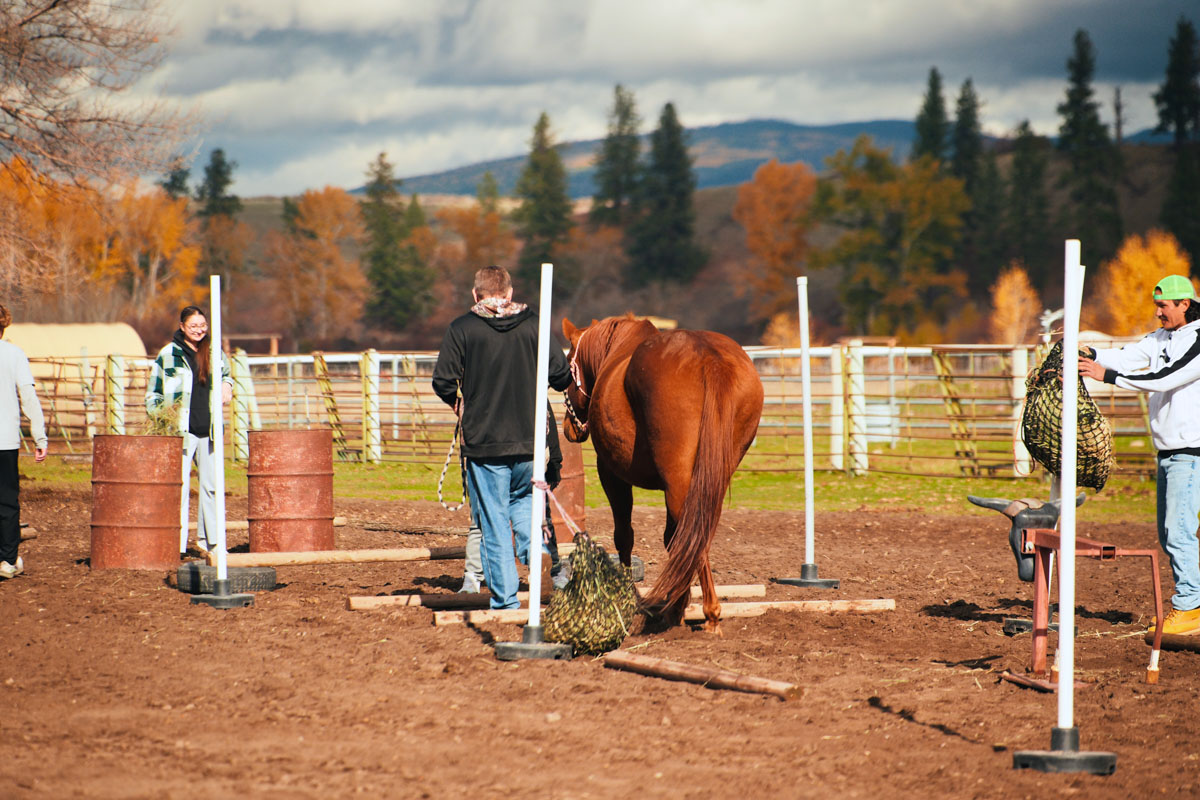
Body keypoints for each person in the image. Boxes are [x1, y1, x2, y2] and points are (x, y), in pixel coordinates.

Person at [433, 265, 571, 609]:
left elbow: (442, 381)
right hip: (529, 442)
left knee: (493, 522)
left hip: (485, 444)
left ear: (475, 294)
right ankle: (537, 553)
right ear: (509, 293)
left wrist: (459, 405)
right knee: (525, 506)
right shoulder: (535, 324)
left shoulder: (462, 328)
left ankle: (506, 602)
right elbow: (561, 376)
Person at [1079, 273, 1200, 635]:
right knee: (1169, 534)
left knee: (1178, 532)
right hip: (1168, 451)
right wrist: (1090, 353)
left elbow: (1164, 378)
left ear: (1185, 304)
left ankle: (1190, 607)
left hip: (1191, 452)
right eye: (1156, 306)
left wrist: (1107, 376)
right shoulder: (1160, 337)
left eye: (1163, 306)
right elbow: (1128, 355)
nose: (1158, 312)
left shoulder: (1197, 341)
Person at [146, 306, 233, 556]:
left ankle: (212, 542)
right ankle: (177, 544)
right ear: (182, 326)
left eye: (202, 325)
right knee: (180, 487)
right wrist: (161, 416)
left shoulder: (214, 351)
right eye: (193, 326)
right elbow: (153, 393)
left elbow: (227, 376)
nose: (199, 330)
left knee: (211, 488)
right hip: (181, 432)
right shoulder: (168, 355)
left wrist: (227, 385)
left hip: (210, 430)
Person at [0, 304, 48, 579]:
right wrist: (39, 436)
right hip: (5, 440)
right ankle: (7, 560)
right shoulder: (14, 354)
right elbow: (28, 397)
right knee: (7, 502)